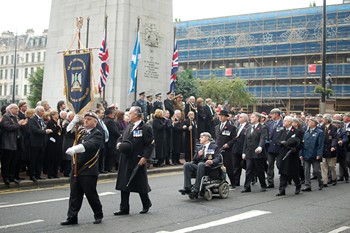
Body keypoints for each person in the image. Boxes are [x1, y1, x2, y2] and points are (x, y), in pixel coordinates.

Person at [60, 111, 104, 225]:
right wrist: (74, 121)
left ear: (95, 122)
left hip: (88, 168)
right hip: (76, 167)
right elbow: (68, 132)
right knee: (74, 194)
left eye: (89, 119)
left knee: (90, 194)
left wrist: (75, 149)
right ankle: (72, 217)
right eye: (85, 119)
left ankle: (98, 214)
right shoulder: (81, 132)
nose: (86, 120)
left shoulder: (97, 133)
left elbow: (90, 145)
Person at [114, 106, 154, 215]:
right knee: (124, 183)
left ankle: (146, 203)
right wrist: (118, 144)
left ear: (136, 115)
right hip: (125, 158)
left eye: (130, 113)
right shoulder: (128, 126)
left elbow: (150, 144)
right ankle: (124, 208)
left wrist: (145, 157)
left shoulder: (145, 127)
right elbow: (121, 137)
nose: (128, 115)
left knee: (140, 183)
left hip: (137, 159)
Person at [179, 132, 221, 197]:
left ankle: (196, 188)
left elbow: (218, 158)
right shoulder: (199, 148)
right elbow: (194, 160)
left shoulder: (214, 147)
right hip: (199, 167)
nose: (200, 138)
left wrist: (212, 161)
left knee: (201, 164)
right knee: (186, 164)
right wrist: (198, 155)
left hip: (209, 168)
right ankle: (187, 188)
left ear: (207, 138)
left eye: (202, 137)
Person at [1, 104, 27, 186]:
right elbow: (8, 127)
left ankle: (12, 177)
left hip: (16, 142)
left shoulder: (16, 117)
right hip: (7, 143)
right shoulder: (6, 117)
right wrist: (19, 124)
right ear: (10, 109)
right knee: (6, 162)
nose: (17, 110)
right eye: (15, 109)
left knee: (13, 161)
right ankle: (6, 178)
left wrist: (22, 125)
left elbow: (18, 128)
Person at [275, 116, 302, 196]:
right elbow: (276, 140)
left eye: (285, 121)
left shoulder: (297, 131)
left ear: (290, 122)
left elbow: (300, 143)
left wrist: (295, 149)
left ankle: (298, 185)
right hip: (283, 153)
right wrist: (281, 143)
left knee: (293, 173)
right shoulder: (281, 131)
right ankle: (282, 190)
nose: (283, 122)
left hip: (292, 154)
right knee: (283, 173)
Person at [241, 112, 268, 193]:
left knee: (259, 170)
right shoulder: (249, 128)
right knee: (248, 170)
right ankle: (247, 187)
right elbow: (245, 141)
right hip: (249, 152)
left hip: (257, 153)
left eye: (252, 117)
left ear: (257, 118)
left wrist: (260, 147)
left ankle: (263, 185)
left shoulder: (262, 128)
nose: (250, 118)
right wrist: (244, 152)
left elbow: (263, 138)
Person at [28, 106, 53, 182]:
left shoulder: (41, 119)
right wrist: (45, 131)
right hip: (34, 143)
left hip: (41, 143)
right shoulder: (32, 119)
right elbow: (34, 130)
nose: (43, 112)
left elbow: (42, 128)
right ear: (38, 111)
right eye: (42, 111)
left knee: (40, 159)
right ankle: (32, 175)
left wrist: (45, 130)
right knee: (33, 160)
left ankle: (38, 174)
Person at [300, 118, 325, 191]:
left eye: (310, 121)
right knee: (306, 170)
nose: (308, 122)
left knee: (316, 170)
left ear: (314, 123)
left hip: (315, 154)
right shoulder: (306, 132)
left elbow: (320, 145)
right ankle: (307, 185)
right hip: (306, 153)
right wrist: (301, 154)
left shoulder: (319, 132)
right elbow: (302, 143)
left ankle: (320, 181)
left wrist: (319, 154)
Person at [215, 110, 237, 188]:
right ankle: (220, 182)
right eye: (219, 116)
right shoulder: (217, 127)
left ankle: (233, 183)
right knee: (218, 167)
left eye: (222, 116)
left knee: (229, 167)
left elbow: (234, 138)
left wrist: (228, 144)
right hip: (218, 149)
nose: (220, 117)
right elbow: (217, 138)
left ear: (226, 117)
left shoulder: (231, 127)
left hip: (227, 150)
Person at [266, 108, 283, 188]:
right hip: (271, 147)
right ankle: (270, 182)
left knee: (280, 164)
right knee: (270, 165)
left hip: (279, 147)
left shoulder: (283, 123)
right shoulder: (271, 123)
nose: (271, 115)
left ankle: (284, 178)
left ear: (277, 114)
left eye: (272, 114)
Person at [232, 113, 250, 187]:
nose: (239, 118)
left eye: (241, 117)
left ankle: (253, 177)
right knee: (236, 166)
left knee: (246, 165)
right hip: (236, 148)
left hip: (243, 148)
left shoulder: (248, 127)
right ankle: (236, 181)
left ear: (245, 119)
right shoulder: (238, 126)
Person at [46, 110, 63, 179]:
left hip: (58, 142)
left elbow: (61, 132)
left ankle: (55, 173)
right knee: (51, 159)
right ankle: (50, 174)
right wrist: (58, 126)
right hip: (52, 143)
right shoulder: (50, 122)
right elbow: (52, 132)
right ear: (52, 115)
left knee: (57, 158)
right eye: (56, 114)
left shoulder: (58, 122)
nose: (58, 115)